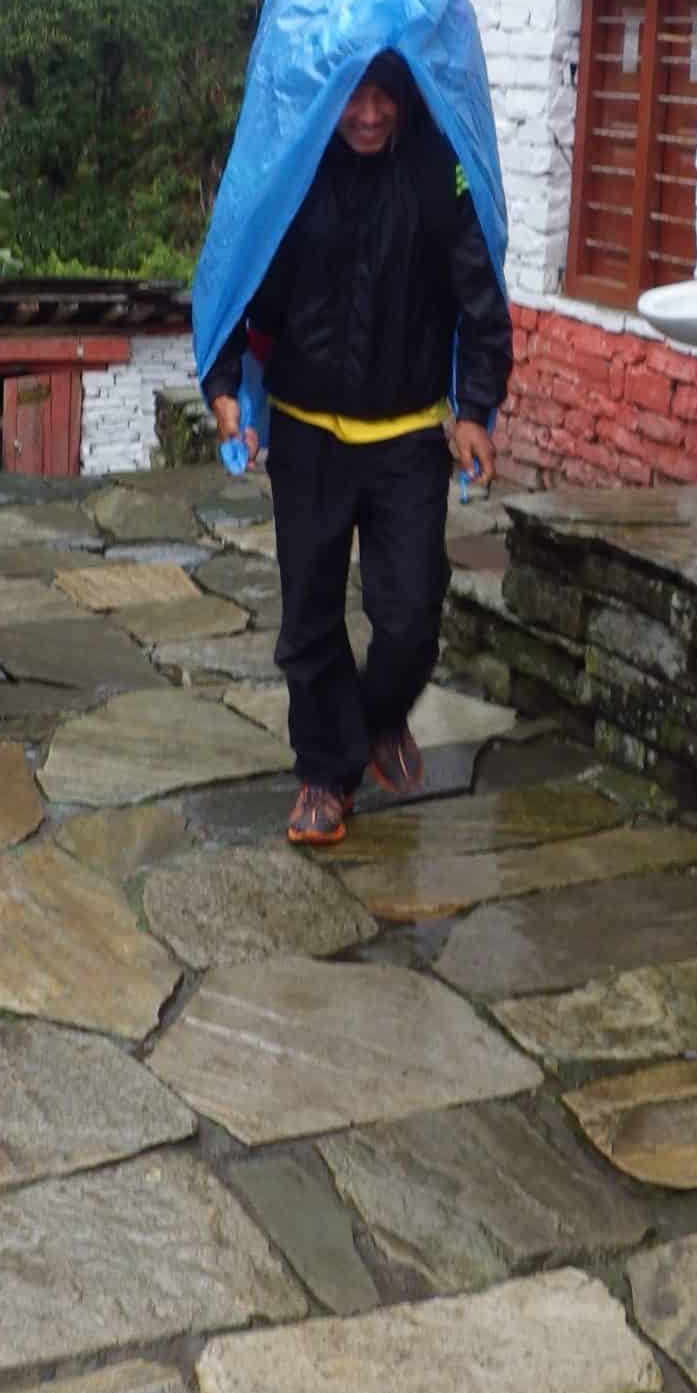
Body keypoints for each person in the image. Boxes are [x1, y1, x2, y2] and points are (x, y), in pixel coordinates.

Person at [204, 48, 512, 846]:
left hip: (409, 434)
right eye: (354, 98)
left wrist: (476, 408)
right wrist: (225, 383)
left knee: (409, 617)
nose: (369, 114)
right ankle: (324, 774)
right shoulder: (295, 172)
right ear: (331, 100)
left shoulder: (438, 176)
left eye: (385, 98)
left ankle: (377, 722)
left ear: (405, 99)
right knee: (308, 615)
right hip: (308, 430)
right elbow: (241, 276)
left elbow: (480, 297)